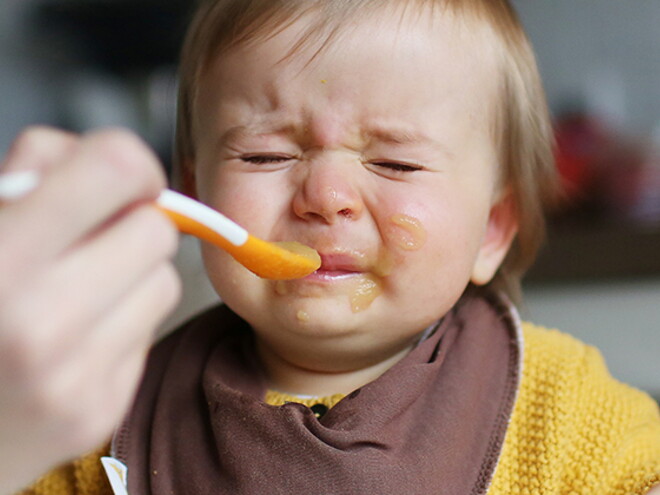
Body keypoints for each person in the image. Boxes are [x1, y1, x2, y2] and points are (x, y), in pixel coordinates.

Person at [3, 0, 659, 493]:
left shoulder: (563, 410)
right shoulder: (104, 416)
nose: (326, 196)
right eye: (266, 153)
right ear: (194, 193)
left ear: (491, 227)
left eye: (396, 164)